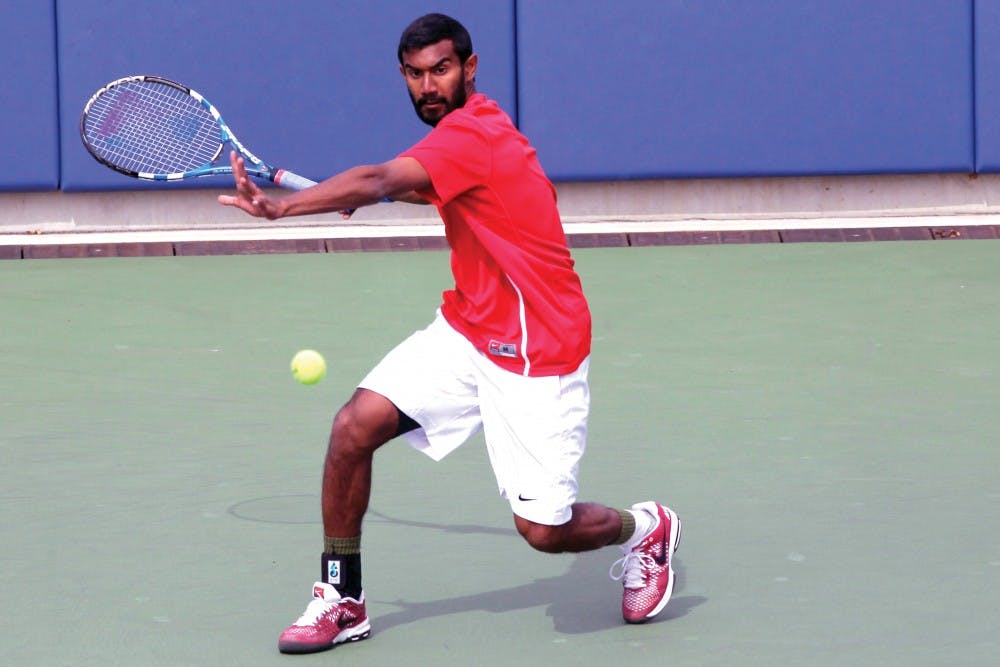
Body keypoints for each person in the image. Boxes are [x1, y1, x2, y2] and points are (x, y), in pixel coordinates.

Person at [219, 13, 681, 655]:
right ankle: (341, 598)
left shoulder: (475, 132)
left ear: (470, 67)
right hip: (469, 329)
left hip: (536, 350)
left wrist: (287, 206)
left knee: (544, 532)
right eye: (415, 74)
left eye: (441, 69)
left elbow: (383, 178)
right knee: (354, 426)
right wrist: (369, 194)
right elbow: (423, 189)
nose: (428, 85)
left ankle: (645, 529)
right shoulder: (460, 143)